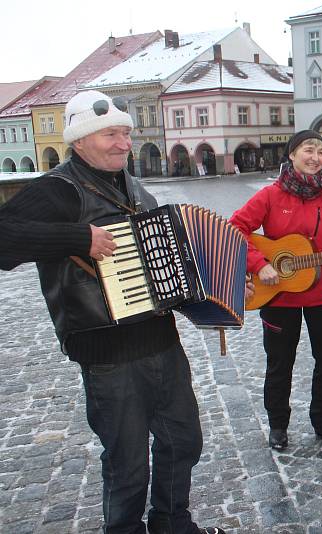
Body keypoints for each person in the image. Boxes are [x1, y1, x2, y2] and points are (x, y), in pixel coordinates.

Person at [0, 90, 230, 534]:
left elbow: (168, 258)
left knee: (183, 442)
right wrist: (76, 238)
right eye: (111, 134)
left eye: (126, 133)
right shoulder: (58, 189)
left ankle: (171, 523)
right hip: (108, 353)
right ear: (80, 140)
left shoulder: (133, 188)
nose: (124, 143)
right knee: (127, 465)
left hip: (161, 341)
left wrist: (214, 287)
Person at [229, 130, 322, 451]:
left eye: (321, 152)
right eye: (308, 150)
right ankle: (278, 425)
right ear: (292, 155)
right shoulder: (272, 195)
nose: (315, 157)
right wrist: (259, 264)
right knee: (279, 362)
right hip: (277, 294)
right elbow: (235, 228)